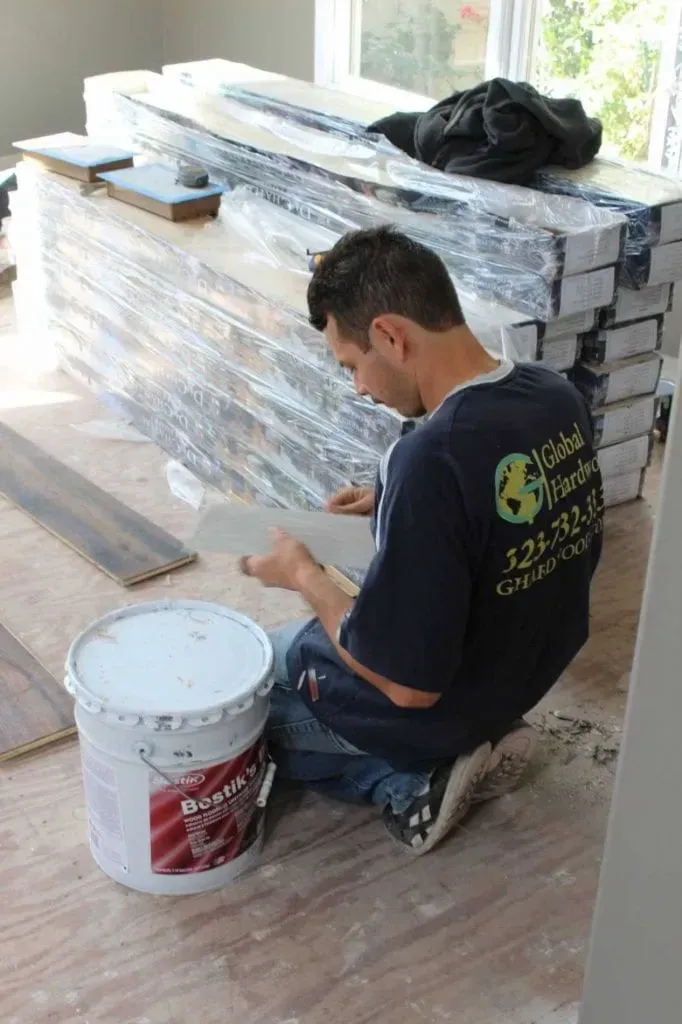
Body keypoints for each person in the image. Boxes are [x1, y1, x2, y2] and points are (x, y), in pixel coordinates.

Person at [241, 227, 603, 855]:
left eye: (353, 365)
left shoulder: (430, 458)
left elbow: (407, 684)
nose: (359, 386)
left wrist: (303, 574)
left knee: (250, 697)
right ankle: (483, 731)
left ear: (390, 335)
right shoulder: (553, 394)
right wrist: (389, 502)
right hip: (527, 668)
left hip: (440, 702)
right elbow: (509, 497)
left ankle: (411, 778)